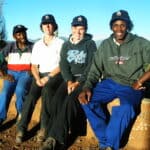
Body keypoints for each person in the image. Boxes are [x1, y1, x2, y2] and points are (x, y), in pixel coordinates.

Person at [78, 10, 150, 150]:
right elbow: (95, 69)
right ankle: (106, 142)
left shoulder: (140, 43)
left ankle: (109, 145)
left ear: (128, 26)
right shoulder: (105, 45)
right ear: (111, 27)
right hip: (109, 83)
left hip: (131, 85)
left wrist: (140, 81)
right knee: (87, 100)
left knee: (126, 108)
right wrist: (86, 87)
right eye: (115, 25)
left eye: (123, 25)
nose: (119, 29)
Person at [39, 15, 97, 150]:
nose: (78, 31)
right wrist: (69, 81)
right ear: (71, 28)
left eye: (81, 28)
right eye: (76, 27)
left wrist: (78, 83)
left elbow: (91, 66)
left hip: (84, 80)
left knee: (71, 101)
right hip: (69, 79)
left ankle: (56, 139)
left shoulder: (90, 44)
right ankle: (49, 134)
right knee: (57, 100)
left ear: (85, 29)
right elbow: (63, 64)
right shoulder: (66, 44)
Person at [15, 14, 64, 144]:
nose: (47, 26)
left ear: (54, 26)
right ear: (41, 27)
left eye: (50, 23)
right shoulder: (37, 45)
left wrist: (48, 77)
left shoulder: (61, 43)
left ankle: (44, 129)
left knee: (47, 91)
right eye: (45, 24)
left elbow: (62, 65)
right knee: (31, 96)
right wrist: (37, 78)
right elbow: (34, 66)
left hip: (54, 75)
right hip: (39, 76)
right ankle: (21, 129)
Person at [0, 25, 33, 125]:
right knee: (5, 93)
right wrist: (3, 75)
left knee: (20, 90)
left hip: (26, 73)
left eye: (24, 33)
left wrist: (34, 70)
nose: (22, 36)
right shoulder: (9, 47)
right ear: (14, 36)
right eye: (19, 34)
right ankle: (1, 117)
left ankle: (21, 113)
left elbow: (39, 62)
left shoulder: (33, 47)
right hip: (11, 73)